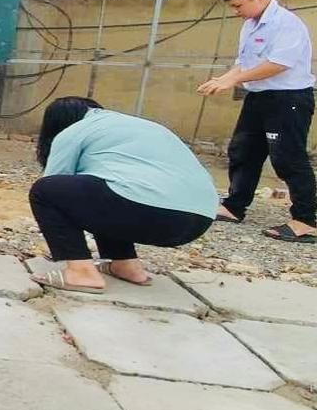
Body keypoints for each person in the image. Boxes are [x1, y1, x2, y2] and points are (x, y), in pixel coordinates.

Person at [28, 97, 216, 293]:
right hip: (201, 219)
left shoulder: (73, 131)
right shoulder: (143, 126)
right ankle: (125, 265)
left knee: (45, 191)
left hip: (152, 213)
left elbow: (55, 183)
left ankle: (81, 273)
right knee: (107, 189)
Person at [198, 0, 317, 243]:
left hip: (287, 99)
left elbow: (278, 64)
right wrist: (224, 79)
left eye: (238, 5)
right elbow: (245, 63)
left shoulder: (287, 23)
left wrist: (234, 80)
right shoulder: (250, 25)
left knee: (287, 157)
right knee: (243, 150)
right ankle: (234, 205)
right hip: (258, 97)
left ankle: (305, 220)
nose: (236, 12)